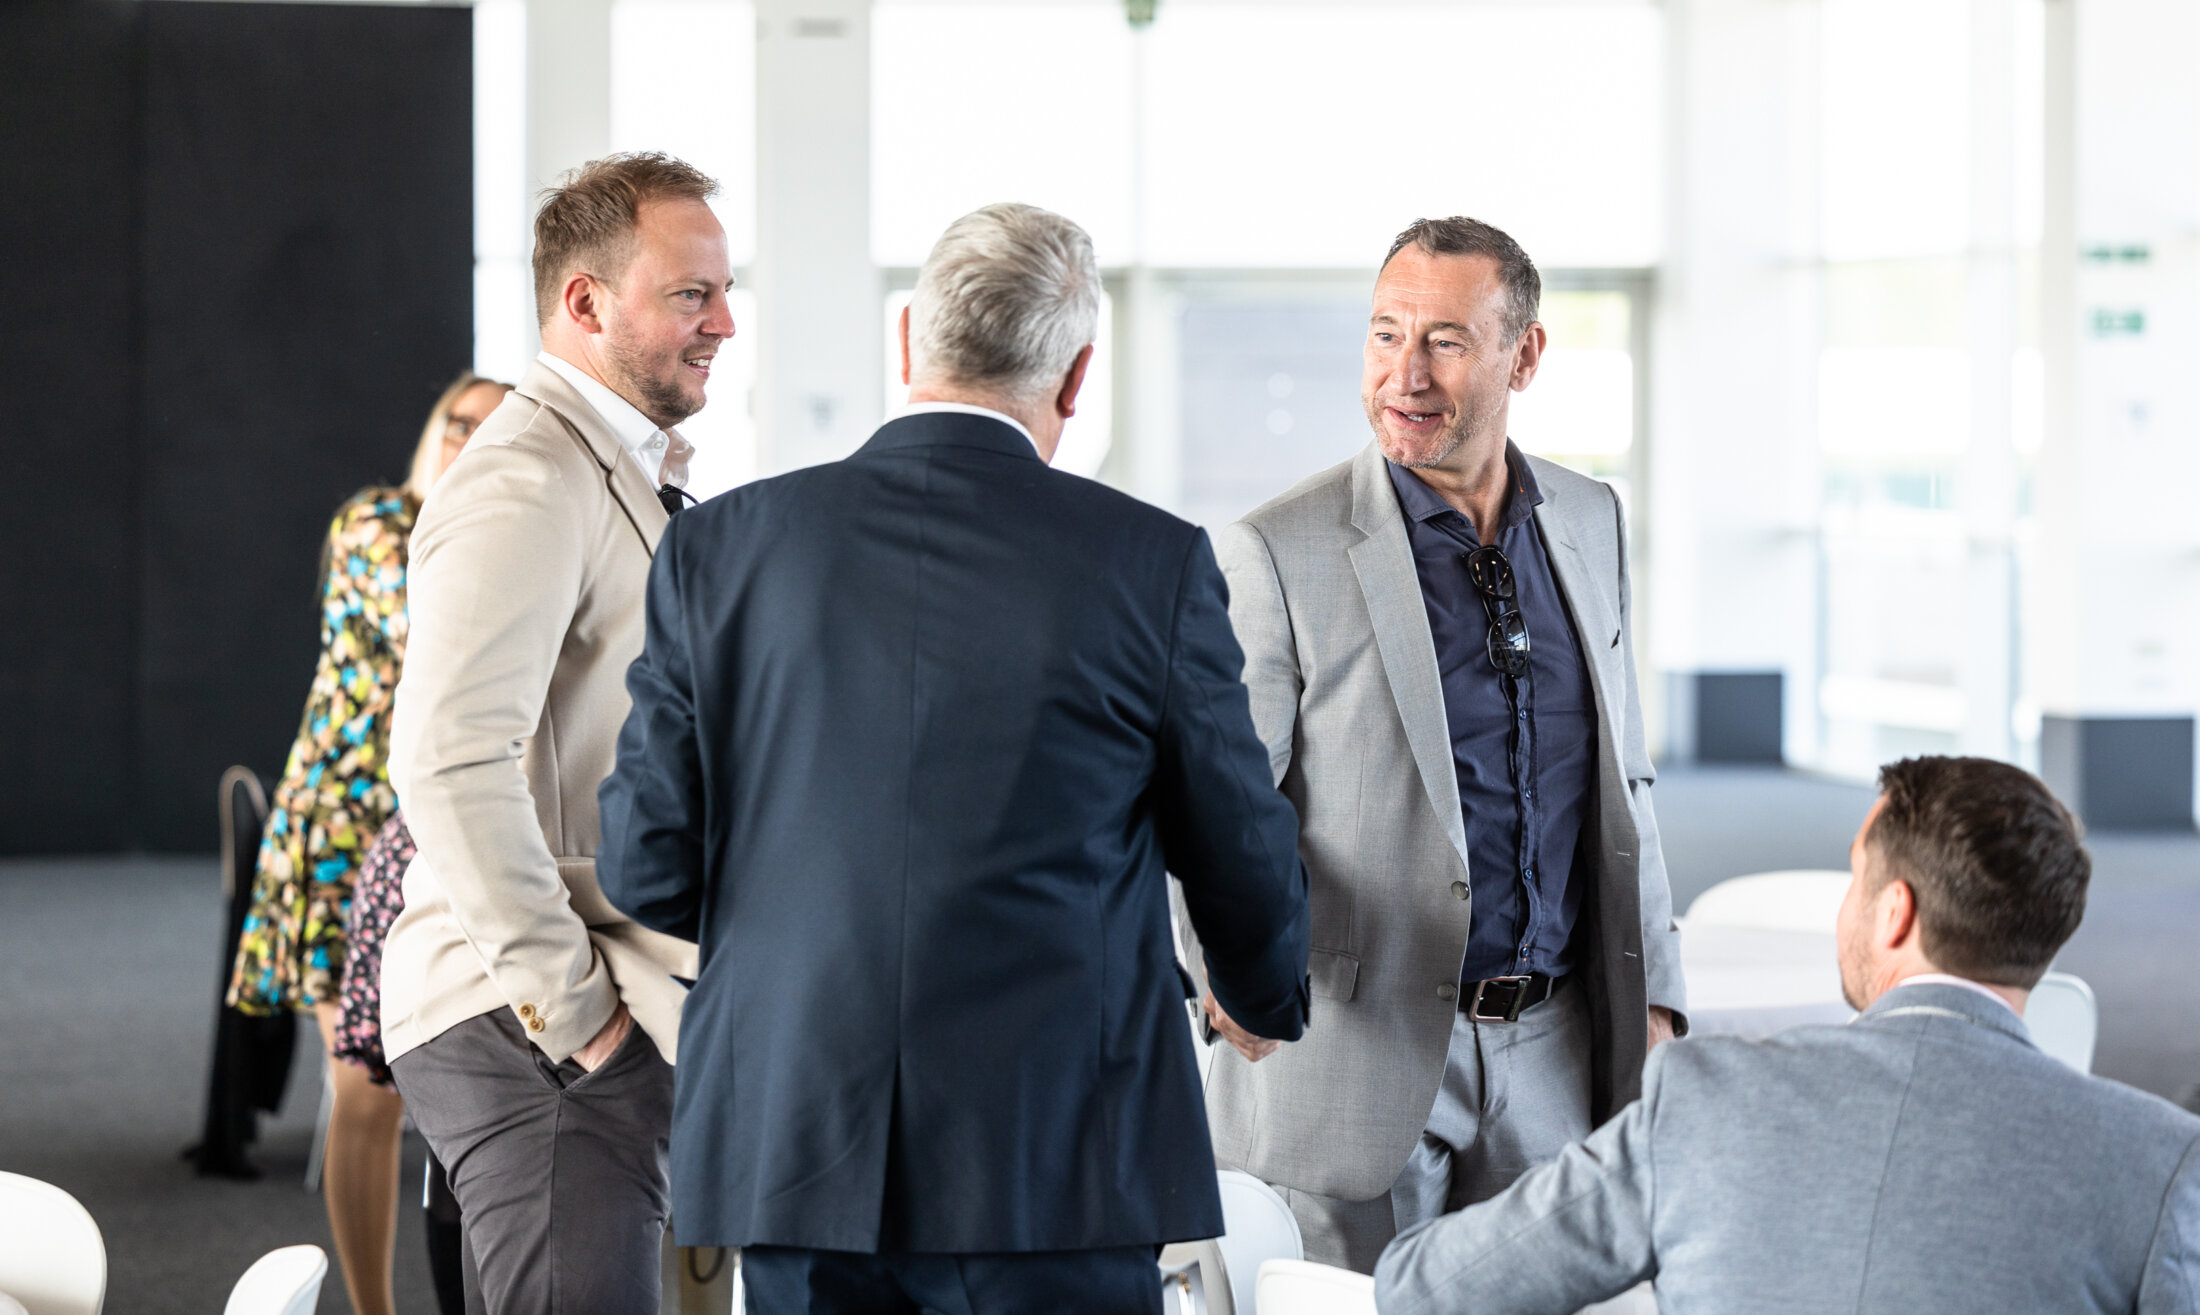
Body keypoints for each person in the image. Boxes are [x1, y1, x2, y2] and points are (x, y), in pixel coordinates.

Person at [596, 202, 1312, 1315]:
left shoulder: (719, 548)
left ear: (907, 342)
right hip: (1055, 1154)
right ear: (1076, 376)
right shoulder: (1149, 563)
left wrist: (795, 919)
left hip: (797, 1135)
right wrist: (1260, 991)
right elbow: (1234, 837)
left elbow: (645, 863)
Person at [1181, 216, 1686, 1273]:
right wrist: (1226, 963)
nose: (1403, 374)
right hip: (1351, 1052)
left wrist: (1656, 994)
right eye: (1385, 334)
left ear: (1524, 355)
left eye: (1445, 341)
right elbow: (1217, 801)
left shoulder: (1589, 518)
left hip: (1552, 1050)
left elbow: (1625, 780)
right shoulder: (1277, 548)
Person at [1375, 755, 2200, 1315]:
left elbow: (1431, 1287)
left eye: (1856, 877)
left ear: (1896, 911)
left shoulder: (1704, 1100)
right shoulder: (2158, 1160)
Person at [381, 152, 733, 1315]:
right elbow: (447, 762)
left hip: (573, 1012)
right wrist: (582, 1025)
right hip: (530, 1021)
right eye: (691, 295)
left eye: (725, 293)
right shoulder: (525, 476)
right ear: (585, 303)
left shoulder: (608, 466)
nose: (725, 323)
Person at [225, 370, 509, 1315]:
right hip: (342, 829)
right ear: (432, 429)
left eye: (490, 428)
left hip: (435, 832)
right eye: (456, 421)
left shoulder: (497, 536)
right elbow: (437, 635)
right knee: (365, 1089)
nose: (466, 439)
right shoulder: (378, 523)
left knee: (447, 1076)